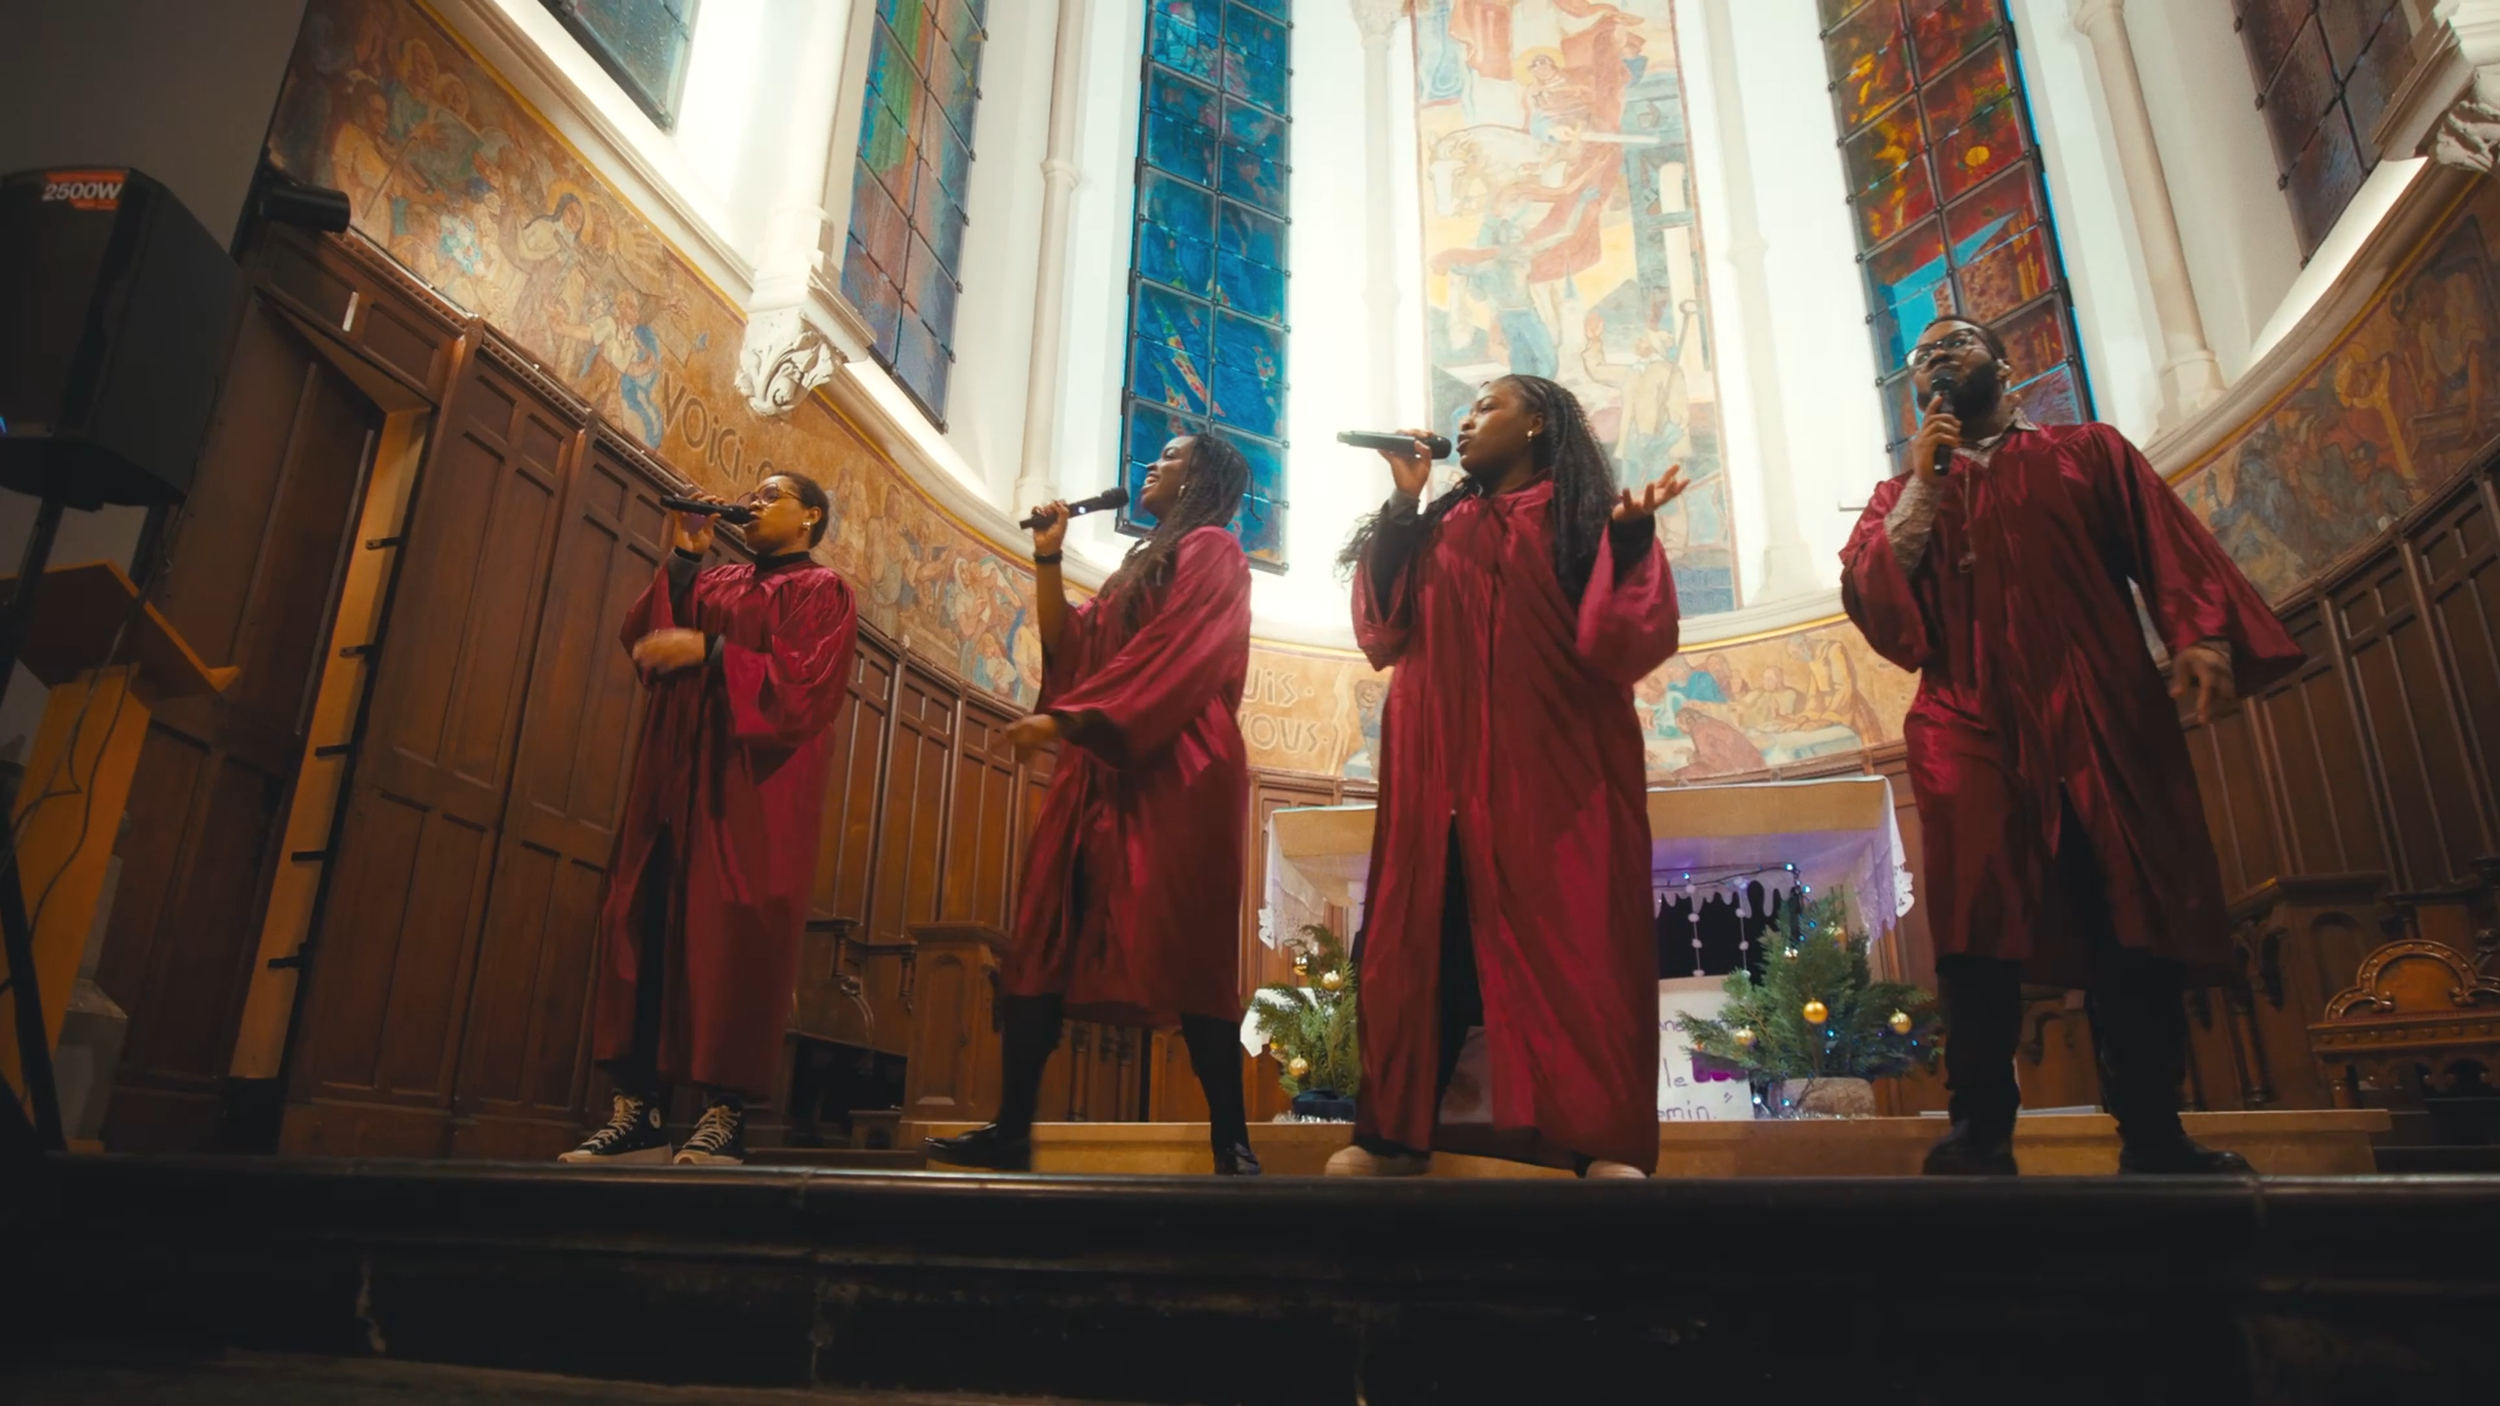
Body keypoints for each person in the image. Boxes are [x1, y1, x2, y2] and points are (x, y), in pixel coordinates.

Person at [1840, 317, 2304, 1175]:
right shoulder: (1899, 496)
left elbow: (2164, 544)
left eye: (1955, 343)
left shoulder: (2087, 452)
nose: (1936, 357)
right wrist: (1925, 488)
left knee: (2130, 906)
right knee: (1976, 916)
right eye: (1922, 355)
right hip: (1967, 717)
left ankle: (2153, 1130)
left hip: (2097, 707)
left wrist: (2199, 633)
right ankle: (1980, 1131)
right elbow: (1876, 599)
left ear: (2003, 364)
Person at [1328, 374, 1686, 1180]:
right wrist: (1404, 504)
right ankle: (1394, 1136)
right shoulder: (1440, 524)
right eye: (1466, 408)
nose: (1465, 421)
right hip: (1440, 772)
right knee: (1426, 947)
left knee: (1574, 946)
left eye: (1487, 406)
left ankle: (1595, 1142)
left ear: (1536, 425)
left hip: (1552, 772)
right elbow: (1384, 628)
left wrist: (1630, 543)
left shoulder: (1582, 516)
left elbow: (1624, 641)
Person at [925, 432, 1261, 1175]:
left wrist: (1076, 720)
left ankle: (1231, 1141)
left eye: (1171, 456)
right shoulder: (1136, 567)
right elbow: (1072, 653)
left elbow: (1179, 652)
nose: (1153, 463)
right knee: (1047, 927)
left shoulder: (1214, 550)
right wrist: (1048, 558)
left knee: (1186, 940)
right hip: (1099, 757)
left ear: (1202, 477)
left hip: (1175, 762)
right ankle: (1013, 1127)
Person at [562, 473, 857, 1167]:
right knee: (643, 920)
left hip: (750, 792)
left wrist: (712, 651)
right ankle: (638, 1111)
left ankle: (724, 1115)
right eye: (751, 492)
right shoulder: (717, 580)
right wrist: (686, 558)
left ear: (810, 517)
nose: (752, 502)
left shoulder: (823, 591)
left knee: (732, 940)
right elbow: (648, 639)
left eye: (771, 494)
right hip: (672, 781)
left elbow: (805, 687)